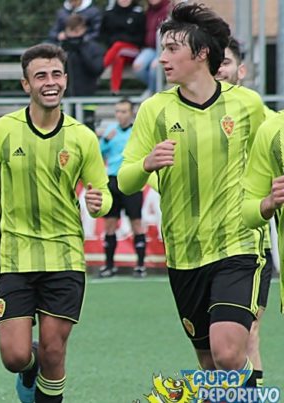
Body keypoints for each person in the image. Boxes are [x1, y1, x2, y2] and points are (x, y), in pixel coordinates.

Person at [119, 3, 265, 384]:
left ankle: (252, 381)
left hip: (237, 246)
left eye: (172, 50)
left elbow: (274, 151)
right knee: (210, 365)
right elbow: (126, 181)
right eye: (163, 49)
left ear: (201, 54)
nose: (163, 59)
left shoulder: (246, 105)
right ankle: (246, 390)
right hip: (183, 254)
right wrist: (147, 163)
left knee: (228, 352)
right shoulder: (155, 110)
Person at [0, 43, 111, 403]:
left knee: (54, 351)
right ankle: (29, 370)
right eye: (41, 76)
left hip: (64, 257)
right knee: (15, 356)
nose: (50, 82)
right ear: (25, 85)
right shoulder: (2, 130)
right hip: (14, 256)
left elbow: (103, 194)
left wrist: (98, 204)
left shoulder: (82, 137)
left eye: (57, 74)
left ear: (66, 79)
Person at [217, 36, 275, 388]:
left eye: (225, 62)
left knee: (248, 333)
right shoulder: (185, 116)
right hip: (197, 250)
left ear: (241, 69)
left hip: (247, 243)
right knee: (214, 348)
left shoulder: (264, 119)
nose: (219, 70)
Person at [97, 98, 146, 278]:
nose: (120, 115)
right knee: (109, 223)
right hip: (112, 180)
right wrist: (104, 140)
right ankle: (109, 265)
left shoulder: (138, 132)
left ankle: (140, 265)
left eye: (124, 111)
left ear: (131, 113)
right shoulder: (111, 132)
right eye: (117, 111)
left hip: (132, 180)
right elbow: (98, 154)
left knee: (136, 223)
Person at [99, 0, 145, 95]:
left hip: (133, 49)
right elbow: (103, 34)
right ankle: (115, 89)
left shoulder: (138, 13)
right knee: (118, 57)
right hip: (115, 51)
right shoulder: (109, 13)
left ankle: (100, 68)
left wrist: (122, 40)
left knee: (118, 46)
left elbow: (141, 37)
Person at [132, 0, 171, 95]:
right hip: (149, 48)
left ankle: (151, 92)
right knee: (138, 66)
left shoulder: (169, 9)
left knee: (155, 68)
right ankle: (156, 89)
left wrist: (160, 56)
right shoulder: (148, 10)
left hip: (164, 48)